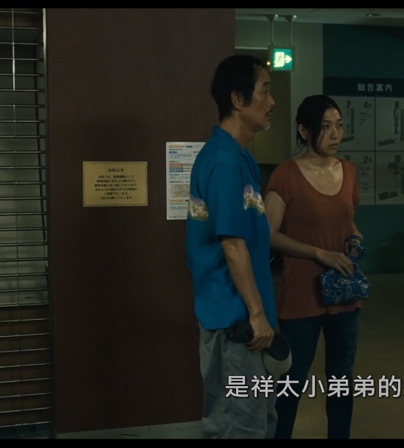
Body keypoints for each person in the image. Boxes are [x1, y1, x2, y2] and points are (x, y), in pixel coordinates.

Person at [185, 53, 278, 439]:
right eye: (264, 91)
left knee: (258, 421)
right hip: (234, 324)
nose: (272, 101)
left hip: (248, 323)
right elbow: (232, 245)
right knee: (239, 426)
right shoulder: (223, 160)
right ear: (238, 99)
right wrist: (256, 313)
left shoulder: (240, 158)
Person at [263, 94, 364, 439]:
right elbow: (268, 234)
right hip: (302, 296)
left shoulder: (347, 171)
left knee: (341, 380)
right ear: (304, 131)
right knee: (291, 382)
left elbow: (346, 220)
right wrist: (319, 253)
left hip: (344, 293)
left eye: (339, 126)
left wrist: (354, 237)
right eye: (325, 127)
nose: (335, 134)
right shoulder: (286, 175)